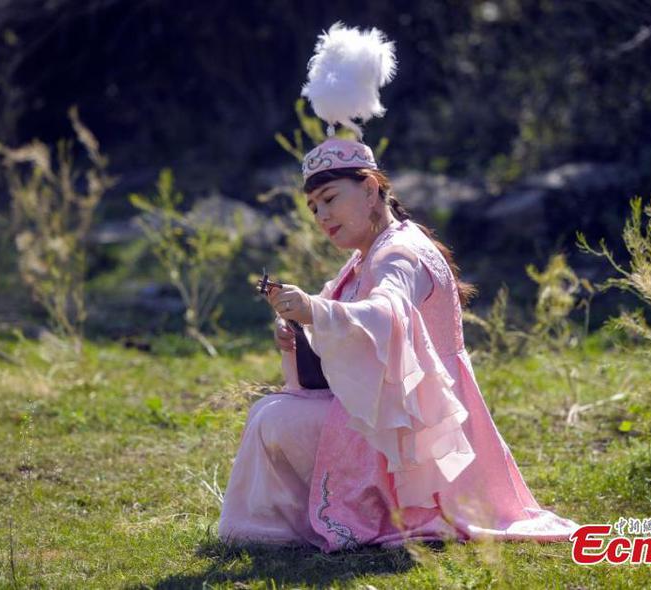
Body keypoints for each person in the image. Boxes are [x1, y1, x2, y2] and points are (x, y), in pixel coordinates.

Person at [217, 22, 580, 552]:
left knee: (275, 419)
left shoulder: (400, 254)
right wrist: (299, 332)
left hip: (420, 425)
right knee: (272, 412)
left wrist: (316, 311)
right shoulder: (373, 252)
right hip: (406, 409)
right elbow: (352, 331)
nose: (321, 216)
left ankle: (288, 527)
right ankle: (285, 526)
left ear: (370, 189)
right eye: (313, 207)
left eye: (331, 200)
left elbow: (386, 315)